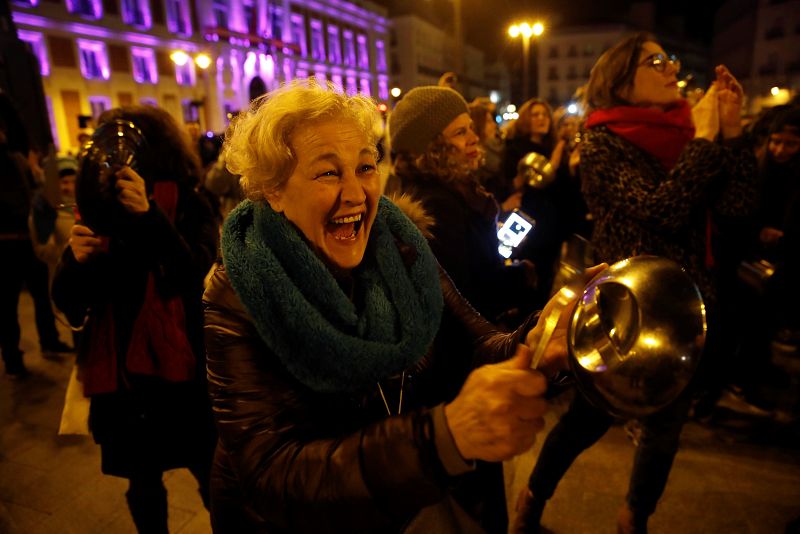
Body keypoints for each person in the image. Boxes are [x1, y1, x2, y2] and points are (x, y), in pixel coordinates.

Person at [203, 79, 603, 533]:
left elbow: (472, 341)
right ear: (273, 188)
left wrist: (542, 337)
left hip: (393, 503)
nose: (355, 193)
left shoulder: (400, 246)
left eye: (366, 167)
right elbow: (270, 472)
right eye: (329, 172)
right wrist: (436, 441)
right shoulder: (238, 288)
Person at [512, 32, 756, 533]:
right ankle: (531, 500)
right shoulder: (602, 141)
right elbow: (660, 210)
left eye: (670, 58)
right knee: (587, 418)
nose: (672, 68)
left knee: (665, 429)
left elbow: (738, 210)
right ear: (621, 80)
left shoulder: (689, 135)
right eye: (656, 61)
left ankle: (634, 518)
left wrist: (733, 136)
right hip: (624, 307)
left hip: (685, 307)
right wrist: (708, 143)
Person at [51, 105, 218, 533]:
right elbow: (71, 303)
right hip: (125, 381)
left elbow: (193, 274)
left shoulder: (189, 199)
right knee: (143, 483)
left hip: (186, 375)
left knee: (212, 473)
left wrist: (150, 217)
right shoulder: (98, 206)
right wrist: (75, 260)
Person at [388, 86, 536, 327]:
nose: (474, 138)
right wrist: (518, 278)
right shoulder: (434, 205)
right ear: (431, 148)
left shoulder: (456, 187)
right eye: (460, 132)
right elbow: (463, 298)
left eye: (470, 128)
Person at [0, 92, 71, 376]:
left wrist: (4, 99)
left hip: (26, 239)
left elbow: (18, 131)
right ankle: (12, 358)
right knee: (6, 306)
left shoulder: (13, 156)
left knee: (43, 295)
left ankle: (50, 340)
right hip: (3, 244)